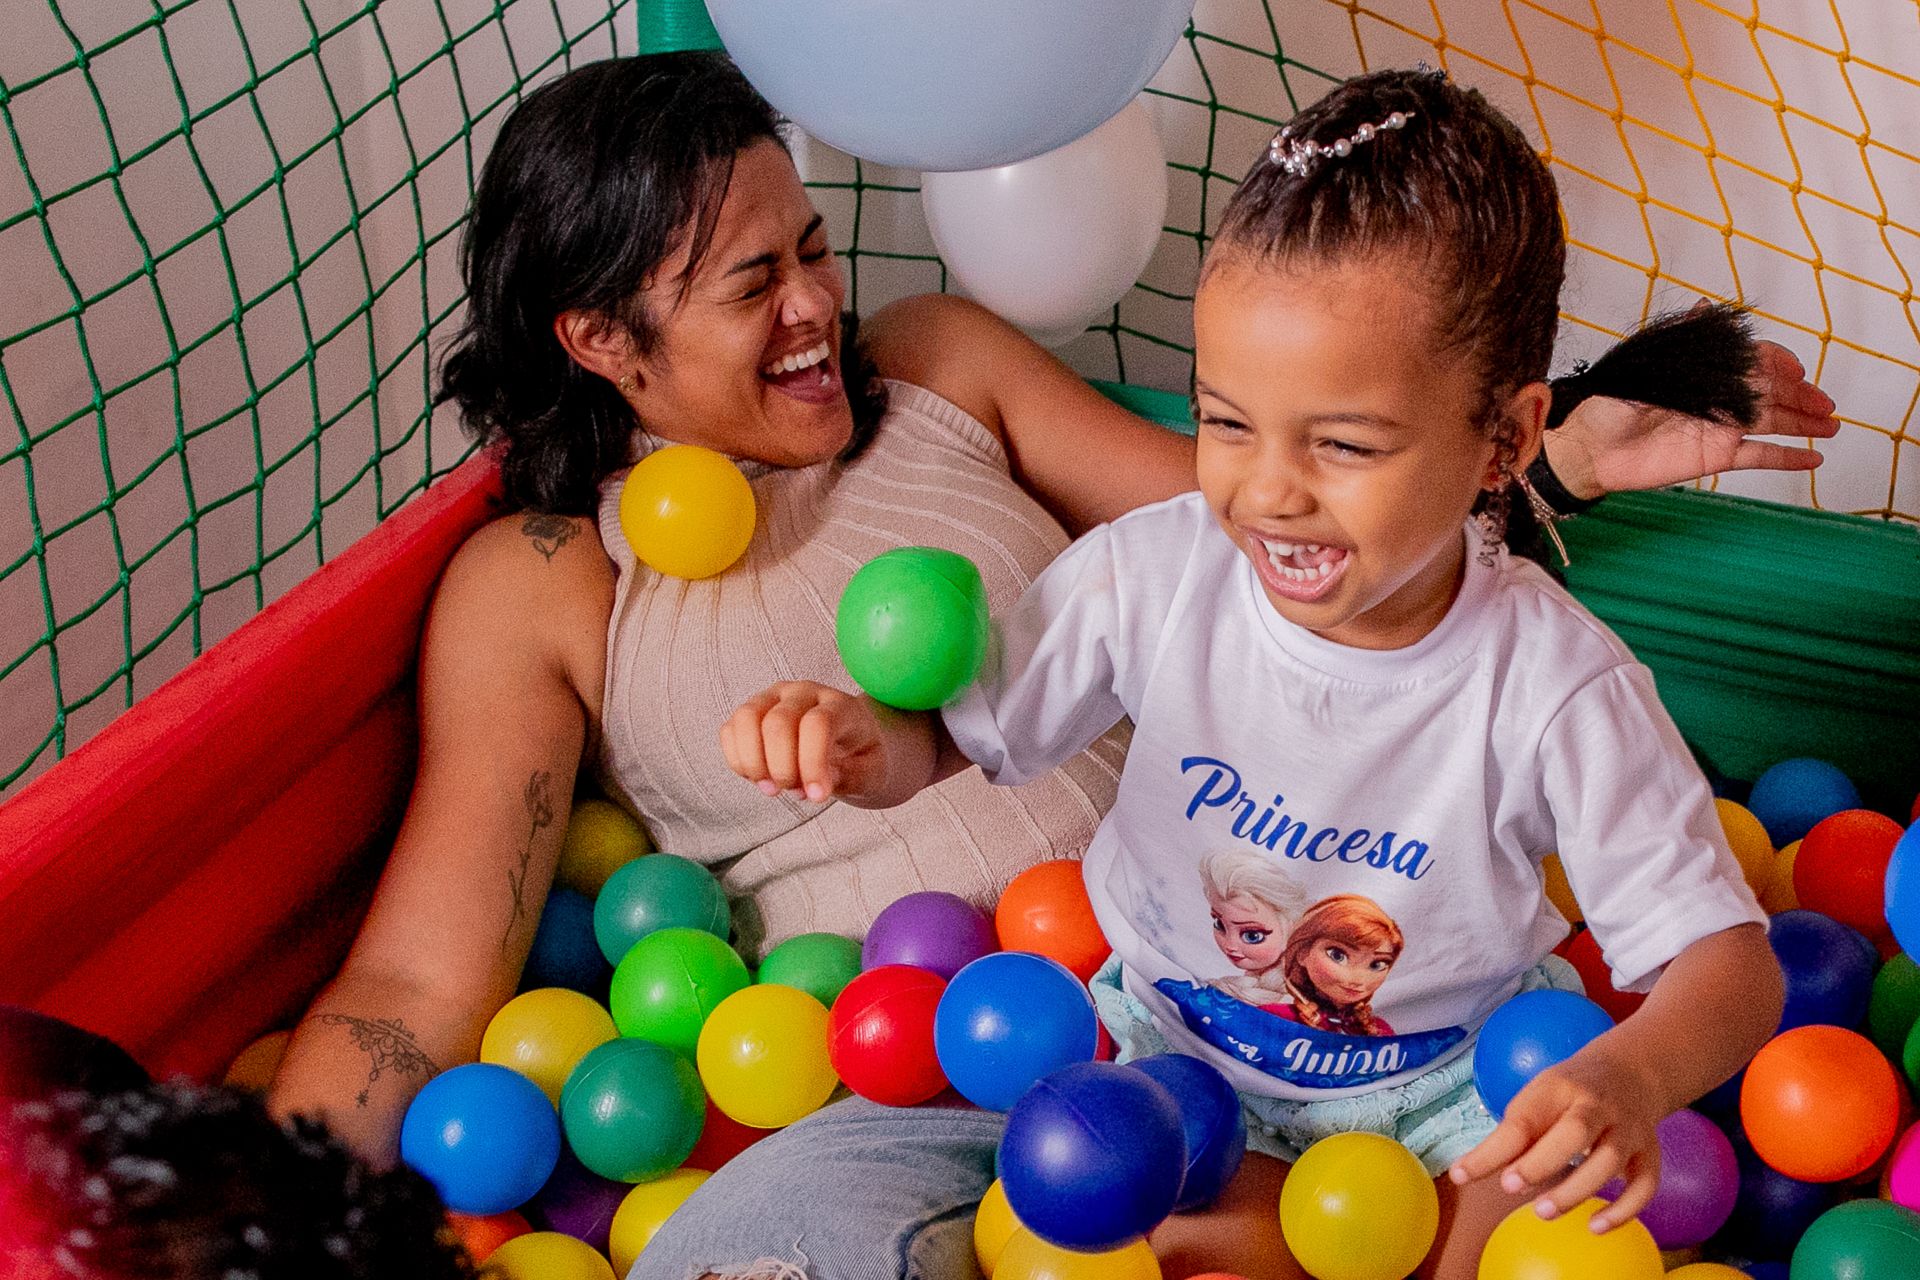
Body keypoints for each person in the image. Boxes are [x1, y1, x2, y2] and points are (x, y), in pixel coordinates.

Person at [261, 51, 1832, 1262]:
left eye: (814, 246)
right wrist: (261, 1214)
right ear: (599, 338)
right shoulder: (537, 582)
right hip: (922, 1056)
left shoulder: (935, 369)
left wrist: (1561, 448)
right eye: (755, 284)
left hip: (1256, 1017)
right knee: (755, 1256)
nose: (818, 303)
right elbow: (412, 976)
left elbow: (1287, 550)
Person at [720, 67, 1787, 1279]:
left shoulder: (1552, 684)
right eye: (1226, 421)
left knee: (1539, 1246)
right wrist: (860, 737)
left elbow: (1728, 963)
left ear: (1505, 434)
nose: (1269, 489)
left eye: (1342, 444)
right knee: (1143, 1233)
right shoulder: (1154, 573)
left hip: (1457, 1085)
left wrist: (1623, 1075)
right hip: (1178, 1066)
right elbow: (959, 733)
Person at [1200, 848, 1311, 1008]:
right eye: (1219, 924)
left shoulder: (1294, 1001)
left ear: (1291, 927)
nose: (1230, 946)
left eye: (1252, 935)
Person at [1278, 895, 1404, 1035]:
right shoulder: (1276, 1018)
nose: (1357, 979)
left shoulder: (1381, 1031)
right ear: (1302, 953)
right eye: (1337, 956)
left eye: (1377, 965)